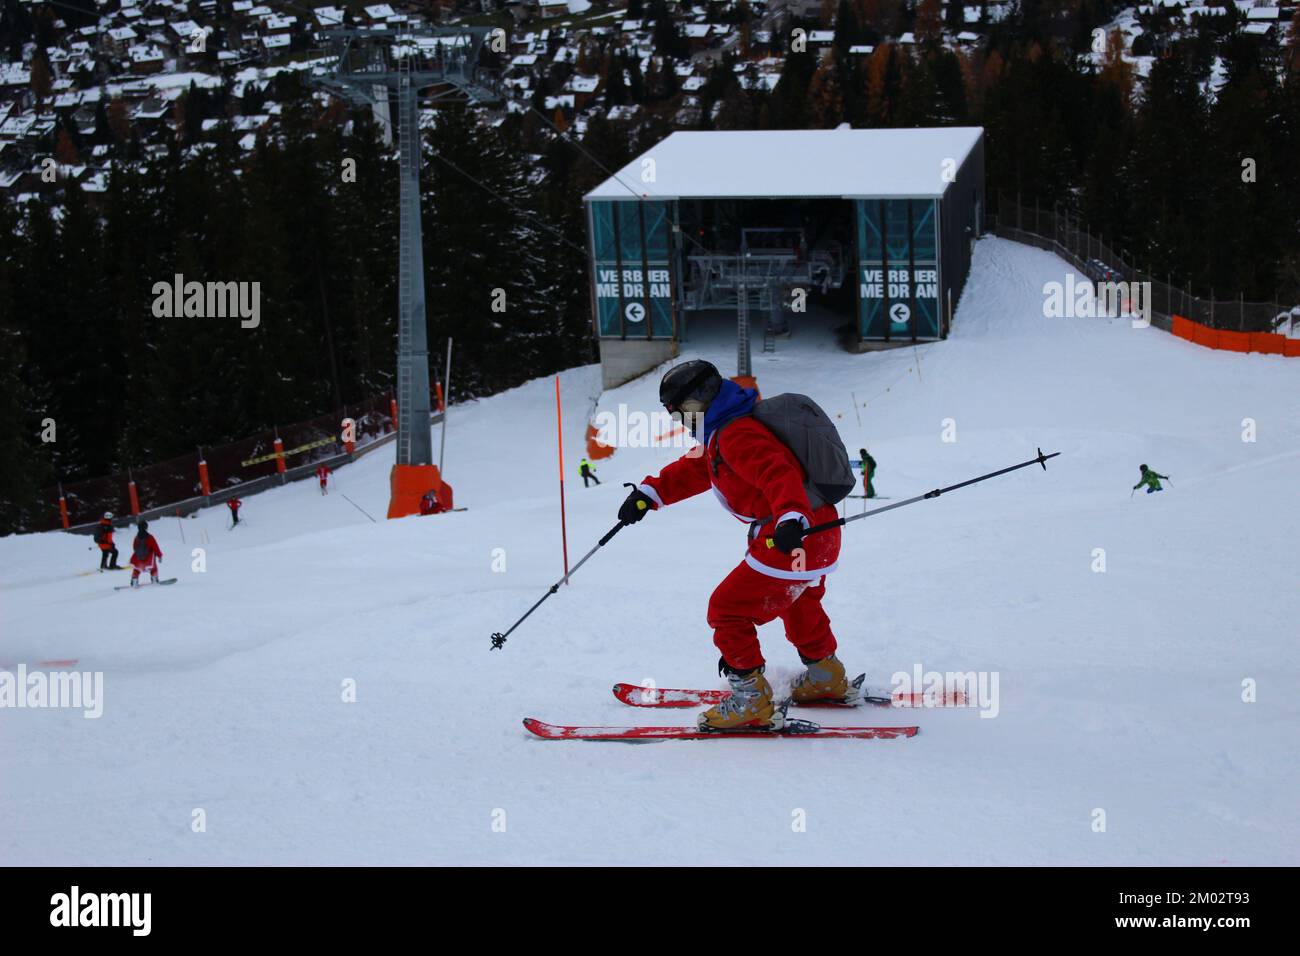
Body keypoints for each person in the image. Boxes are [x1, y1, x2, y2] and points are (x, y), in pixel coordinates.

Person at [618, 359, 853, 732]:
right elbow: (698, 468)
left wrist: (791, 515)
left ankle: (751, 701)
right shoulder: (726, 431)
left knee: (727, 609)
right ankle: (825, 675)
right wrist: (651, 493)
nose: (681, 421)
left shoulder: (737, 434)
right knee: (800, 602)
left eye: (681, 412)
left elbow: (778, 472)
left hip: (792, 535)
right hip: (818, 534)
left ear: (698, 402)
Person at [129, 519, 163, 587]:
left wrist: (139, 553)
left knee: (137, 569)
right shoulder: (150, 537)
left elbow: (134, 547)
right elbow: (155, 547)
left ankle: (134, 580)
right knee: (153, 568)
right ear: (146, 527)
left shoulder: (136, 537)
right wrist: (159, 555)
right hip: (148, 557)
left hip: (138, 558)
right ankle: (154, 579)